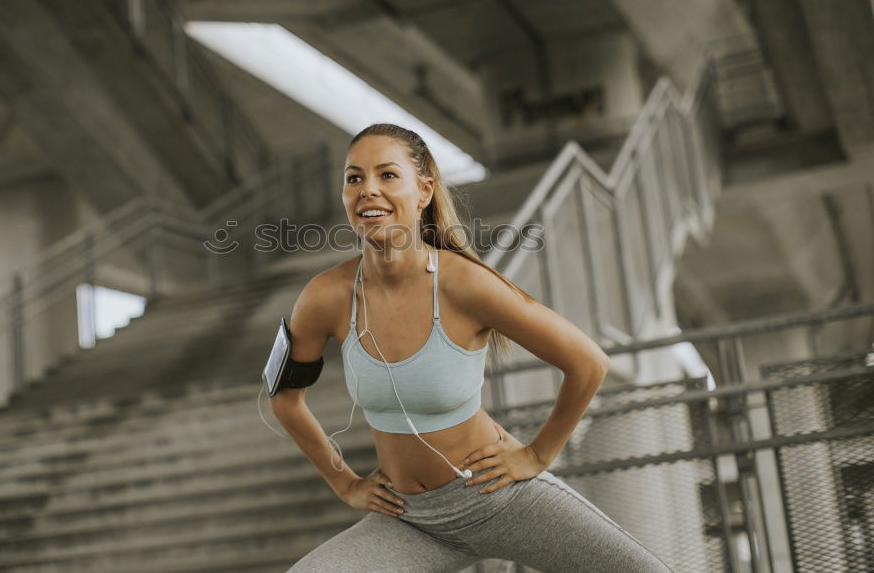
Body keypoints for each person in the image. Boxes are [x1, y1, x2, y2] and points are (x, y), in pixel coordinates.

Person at [270, 123, 674, 572]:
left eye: (387, 175)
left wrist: (537, 455)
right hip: (407, 518)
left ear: (423, 191)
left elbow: (587, 362)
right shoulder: (325, 296)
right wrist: (344, 483)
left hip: (496, 498)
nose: (368, 190)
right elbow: (285, 399)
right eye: (354, 178)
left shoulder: (464, 284)